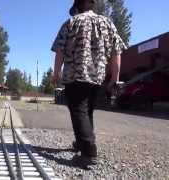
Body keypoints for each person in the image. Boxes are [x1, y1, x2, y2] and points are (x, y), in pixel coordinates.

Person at [51, 0, 126, 166]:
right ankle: (81, 142)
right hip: (97, 77)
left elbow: (60, 51)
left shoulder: (71, 22)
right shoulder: (108, 23)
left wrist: (56, 73)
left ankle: (88, 153)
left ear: (77, 6)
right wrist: (115, 78)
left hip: (76, 75)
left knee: (79, 110)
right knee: (87, 111)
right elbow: (116, 52)